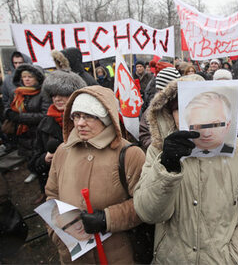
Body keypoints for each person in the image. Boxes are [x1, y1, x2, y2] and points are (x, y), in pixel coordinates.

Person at [133, 74, 238, 264]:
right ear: (169, 114)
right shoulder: (158, 151)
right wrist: (167, 168)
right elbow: (148, 213)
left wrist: (235, 256)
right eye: (179, 109)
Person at [45, 85, 146, 264]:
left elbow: (145, 204)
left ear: (106, 118)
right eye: (76, 116)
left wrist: (107, 219)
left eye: (89, 116)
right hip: (73, 255)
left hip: (117, 254)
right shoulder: (63, 151)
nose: (80, 123)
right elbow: (52, 195)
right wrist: (57, 233)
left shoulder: (129, 154)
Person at [30, 70, 86, 204]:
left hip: (84, 183)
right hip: (59, 187)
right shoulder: (45, 124)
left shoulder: (86, 121)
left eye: (62, 94)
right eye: (54, 94)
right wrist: (45, 159)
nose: (57, 99)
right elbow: (33, 162)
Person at [4, 64, 50, 182]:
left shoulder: (43, 93)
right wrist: (8, 112)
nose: (27, 79)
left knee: (41, 159)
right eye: (24, 77)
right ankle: (34, 172)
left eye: (30, 76)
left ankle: (44, 184)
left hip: (38, 133)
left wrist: (20, 117)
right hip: (23, 133)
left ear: (37, 78)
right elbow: (10, 106)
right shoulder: (18, 93)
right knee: (29, 156)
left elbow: (44, 115)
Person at [184, 91, 234, 156]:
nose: (206, 134)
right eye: (198, 126)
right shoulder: (179, 155)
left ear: (227, 126)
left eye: (215, 125)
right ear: (188, 126)